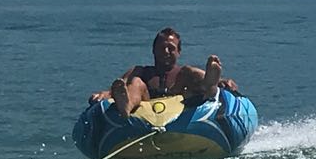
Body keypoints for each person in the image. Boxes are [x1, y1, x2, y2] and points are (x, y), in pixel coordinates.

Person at [90, 27, 240, 118]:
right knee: (135, 82)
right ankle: (126, 106)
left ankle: (211, 84)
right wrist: (106, 94)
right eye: (161, 48)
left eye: (171, 48)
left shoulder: (183, 73)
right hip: (146, 112)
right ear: (153, 50)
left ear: (179, 52)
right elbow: (118, 87)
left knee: (189, 73)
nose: (166, 51)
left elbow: (189, 74)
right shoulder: (141, 71)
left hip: (180, 110)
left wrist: (224, 82)